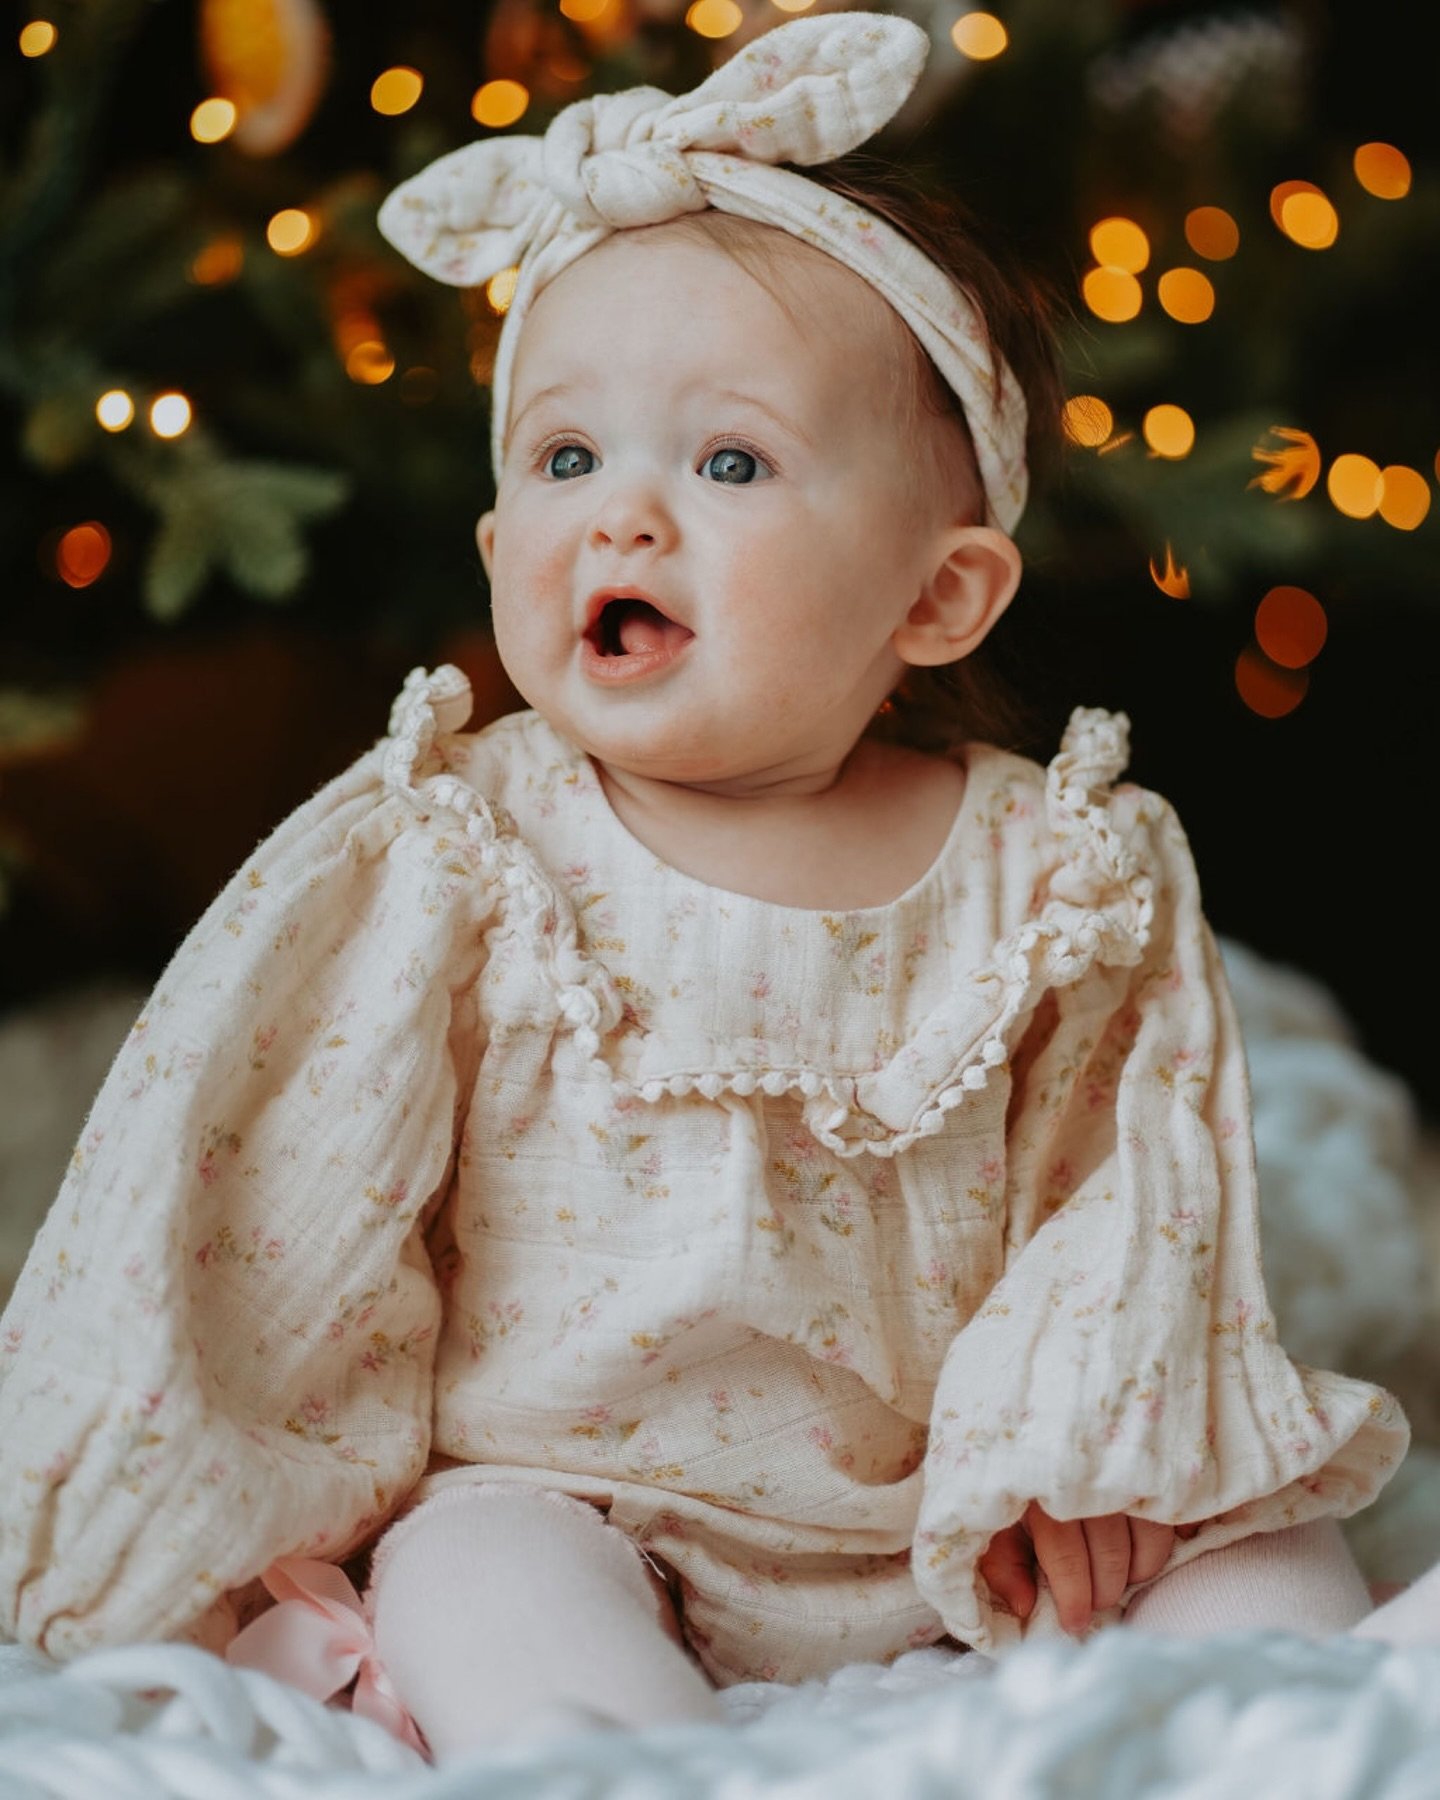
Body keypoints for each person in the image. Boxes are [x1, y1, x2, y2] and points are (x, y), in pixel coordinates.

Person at [0, 10, 1434, 1765]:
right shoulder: (458, 846)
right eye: (565, 459)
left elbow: (1124, 1191)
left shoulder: (1052, 868)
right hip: (584, 1495)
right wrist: (228, 1489)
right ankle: (633, 1758)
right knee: (477, 1574)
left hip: (968, 1511)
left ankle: (1326, 1736)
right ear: (497, 550)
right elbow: (284, 1187)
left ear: (940, 596)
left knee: (1256, 1542)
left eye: (729, 463)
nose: (622, 520)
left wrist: (1095, 1447)